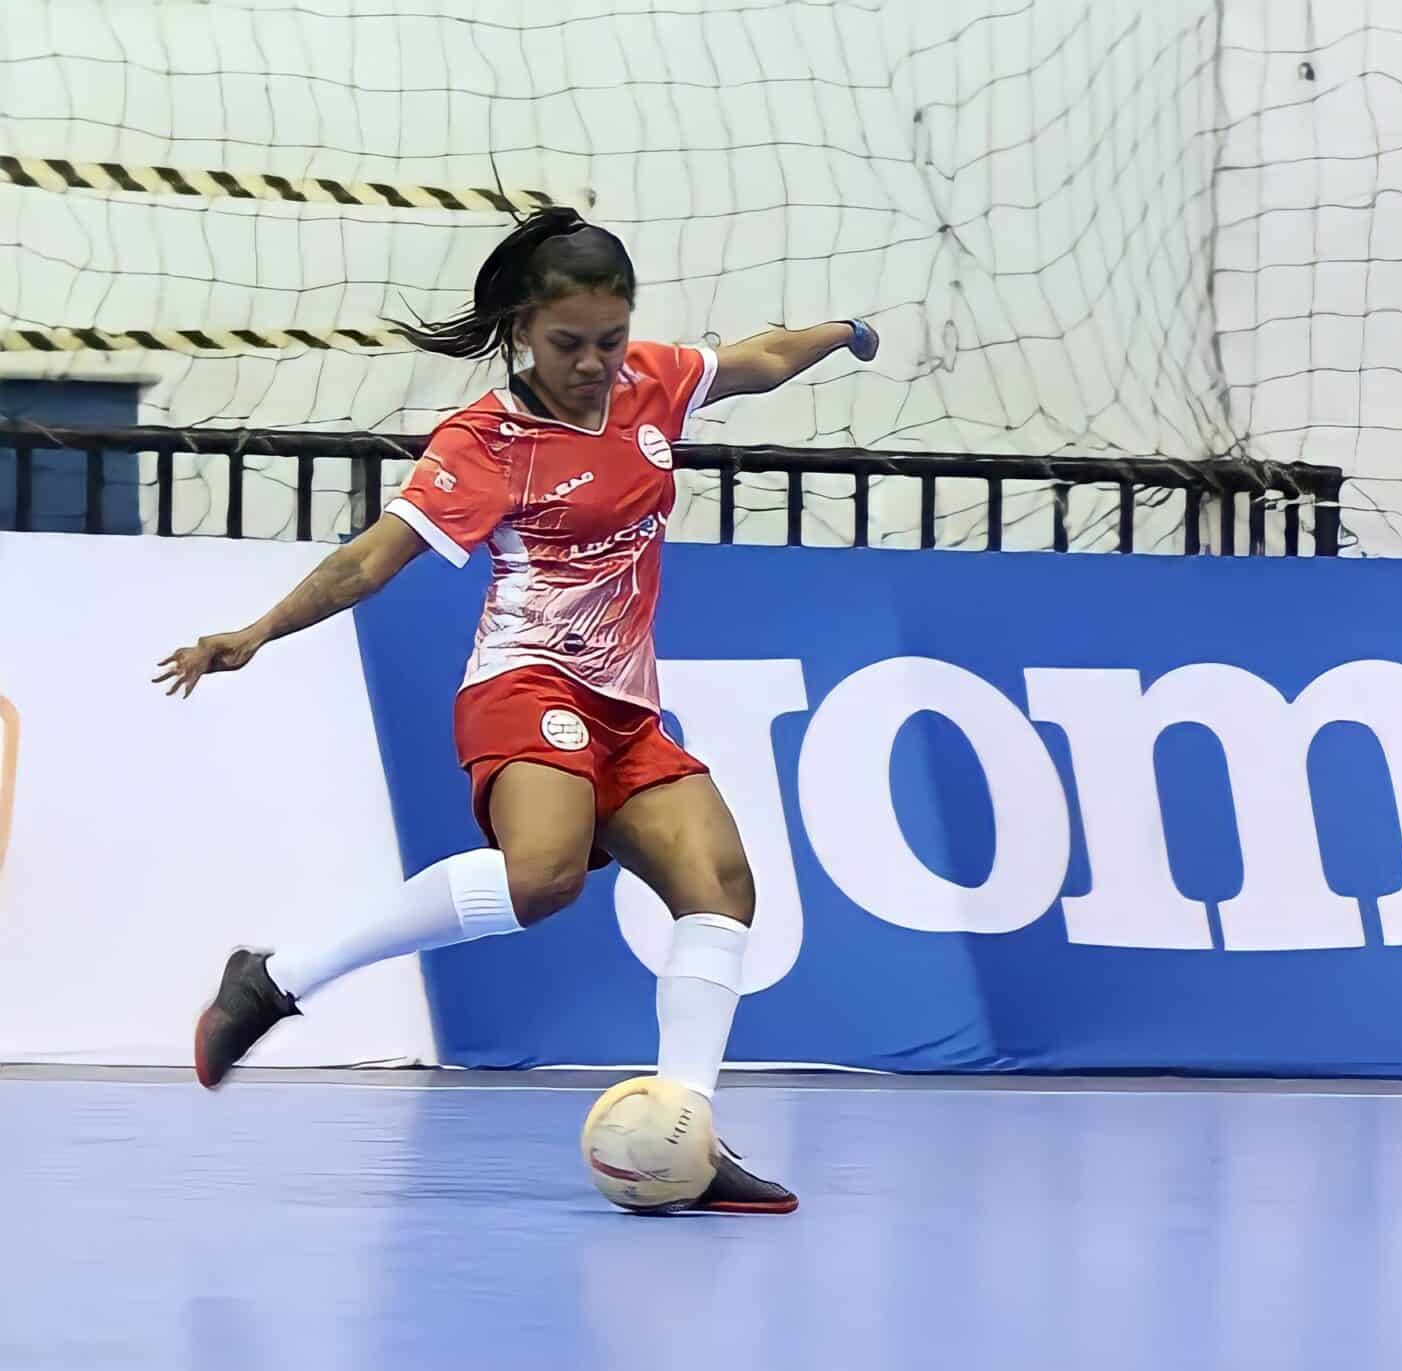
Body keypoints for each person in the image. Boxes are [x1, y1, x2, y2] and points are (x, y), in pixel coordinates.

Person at [156, 206, 880, 1215]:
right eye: (568, 344)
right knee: (542, 879)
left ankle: (685, 1131)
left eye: (610, 341)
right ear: (521, 333)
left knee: (720, 888)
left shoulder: (653, 384)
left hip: (626, 705)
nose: (593, 363)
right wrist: (258, 630)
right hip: (525, 682)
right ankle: (274, 980)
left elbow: (754, 360)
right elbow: (372, 557)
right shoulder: (487, 443)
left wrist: (839, 335)